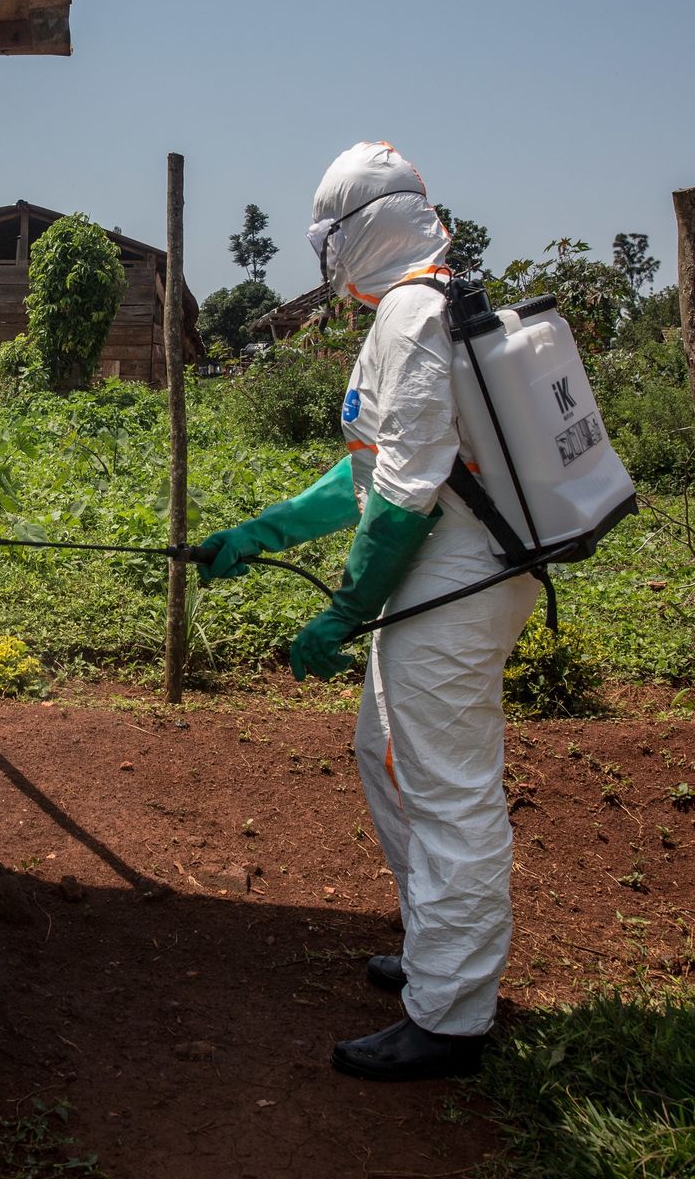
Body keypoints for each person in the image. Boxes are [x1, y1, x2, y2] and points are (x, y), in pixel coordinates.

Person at [196, 141, 539, 1082]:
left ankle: (453, 1021)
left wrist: (342, 613)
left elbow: (403, 499)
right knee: (384, 758)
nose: (326, 258)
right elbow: (369, 473)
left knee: (446, 792)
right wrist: (261, 532)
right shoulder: (414, 307)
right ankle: (438, 959)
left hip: (453, 583)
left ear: (360, 232)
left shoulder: (414, 313)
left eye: (329, 237)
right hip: (442, 574)